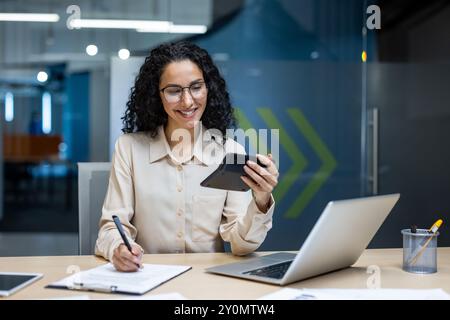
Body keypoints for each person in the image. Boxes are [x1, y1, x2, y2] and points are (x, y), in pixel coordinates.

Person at [95, 41, 279, 272]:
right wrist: (118, 249)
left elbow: (241, 246)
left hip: (209, 285)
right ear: (157, 95)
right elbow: (110, 229)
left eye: (196, 87)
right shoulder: (129, 149)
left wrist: (261, 199)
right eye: (174, 91)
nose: (188, 101)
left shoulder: (230, 152)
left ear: (208, 88)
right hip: (146, 281)